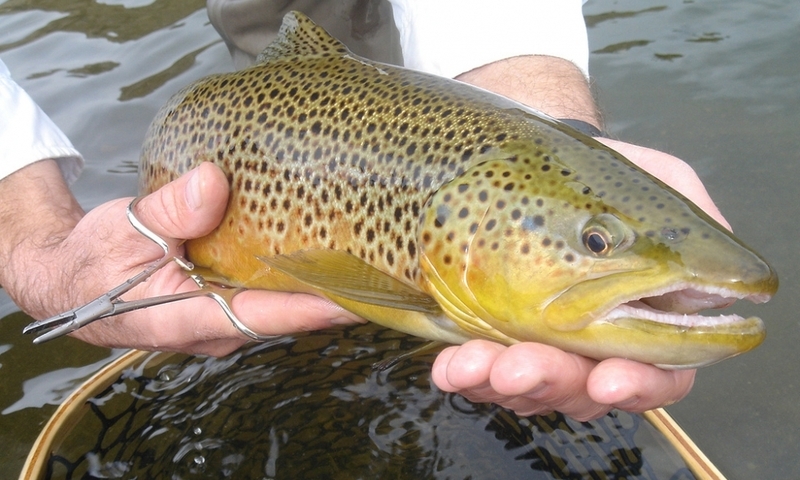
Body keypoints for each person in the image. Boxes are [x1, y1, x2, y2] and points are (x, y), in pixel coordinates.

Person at [0, 0, 723, 422]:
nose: (597, 247)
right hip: (214, 134)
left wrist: (542, 116)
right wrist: (36, 247)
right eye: (596, 242)